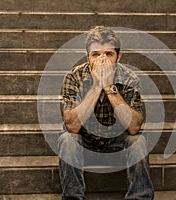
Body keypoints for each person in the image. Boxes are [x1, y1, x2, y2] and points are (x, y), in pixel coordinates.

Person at [58, 26, 154, 200]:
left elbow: (134, 127)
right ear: (87, 56)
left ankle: (139, 197)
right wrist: (96, 86)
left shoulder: (129, 78)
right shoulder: (74, 77)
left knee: (138, 140)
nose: (102, 59)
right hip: (84, 142)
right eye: (96, 54)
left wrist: (110, 87)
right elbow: (72, 125)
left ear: (119, 56)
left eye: (109, 54)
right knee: (67, 140)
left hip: (117, 143)